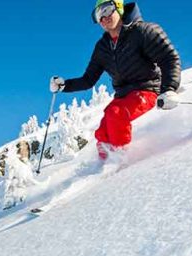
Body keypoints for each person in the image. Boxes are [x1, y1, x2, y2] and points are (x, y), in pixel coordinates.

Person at [50, 0, 181, 160]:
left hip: (147, 90)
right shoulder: (102, 47)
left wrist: (169, 89)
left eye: (107, 10)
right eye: (98, 15)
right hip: (123, 97)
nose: (104, 18)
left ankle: (122, 168)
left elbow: (169, 58)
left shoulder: (142, 31)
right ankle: (104, 169)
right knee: (102, 133)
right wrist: (64, 86)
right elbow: (88, 80)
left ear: (118, 8)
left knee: (116, 115)